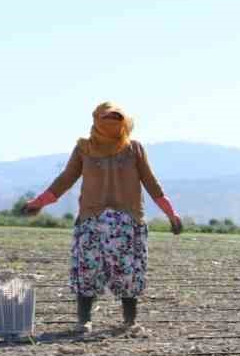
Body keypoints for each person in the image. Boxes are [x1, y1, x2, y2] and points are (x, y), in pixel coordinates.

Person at [22, 103, 183, 334]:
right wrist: (39, 202)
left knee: (123, 273)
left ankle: (128, 321)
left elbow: (152, 184)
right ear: (97, 119)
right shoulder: (84, 149)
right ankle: (86, 321)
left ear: (124, 122)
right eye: (107, 117)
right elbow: (65, 180)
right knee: (90, 271)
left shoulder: (133, 149)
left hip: (123, 222)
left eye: (116, 117)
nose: (111, 122)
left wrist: (171, 213)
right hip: (95, 221)